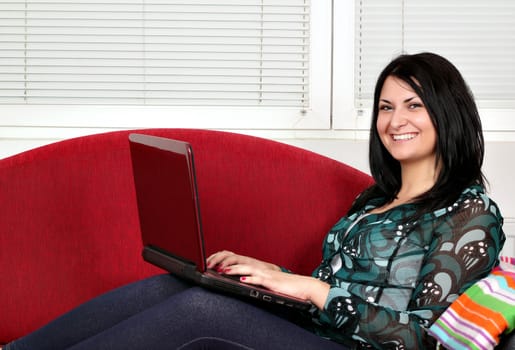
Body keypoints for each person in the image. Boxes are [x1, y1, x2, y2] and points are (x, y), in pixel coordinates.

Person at [3, 52, 505, 350]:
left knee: (202, 309)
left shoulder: (469, 214)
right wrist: (269, 276)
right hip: (316, 331)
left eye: (414, 105)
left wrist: (308, 290)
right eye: (386, 107)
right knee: (178, 285)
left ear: (447, 112)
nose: (397, 120)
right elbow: (335, 286)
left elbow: (423, 341)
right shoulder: (374, 198)